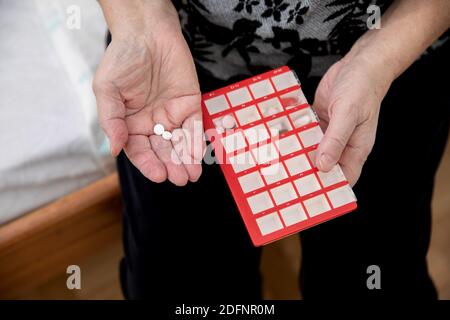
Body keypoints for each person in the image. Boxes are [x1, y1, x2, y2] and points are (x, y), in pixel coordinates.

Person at [93, 0, 450, 300]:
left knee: (370, 279)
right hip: (175, 76)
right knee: (183, 288)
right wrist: (139, 21)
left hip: (387, 72)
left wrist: (378, 61)